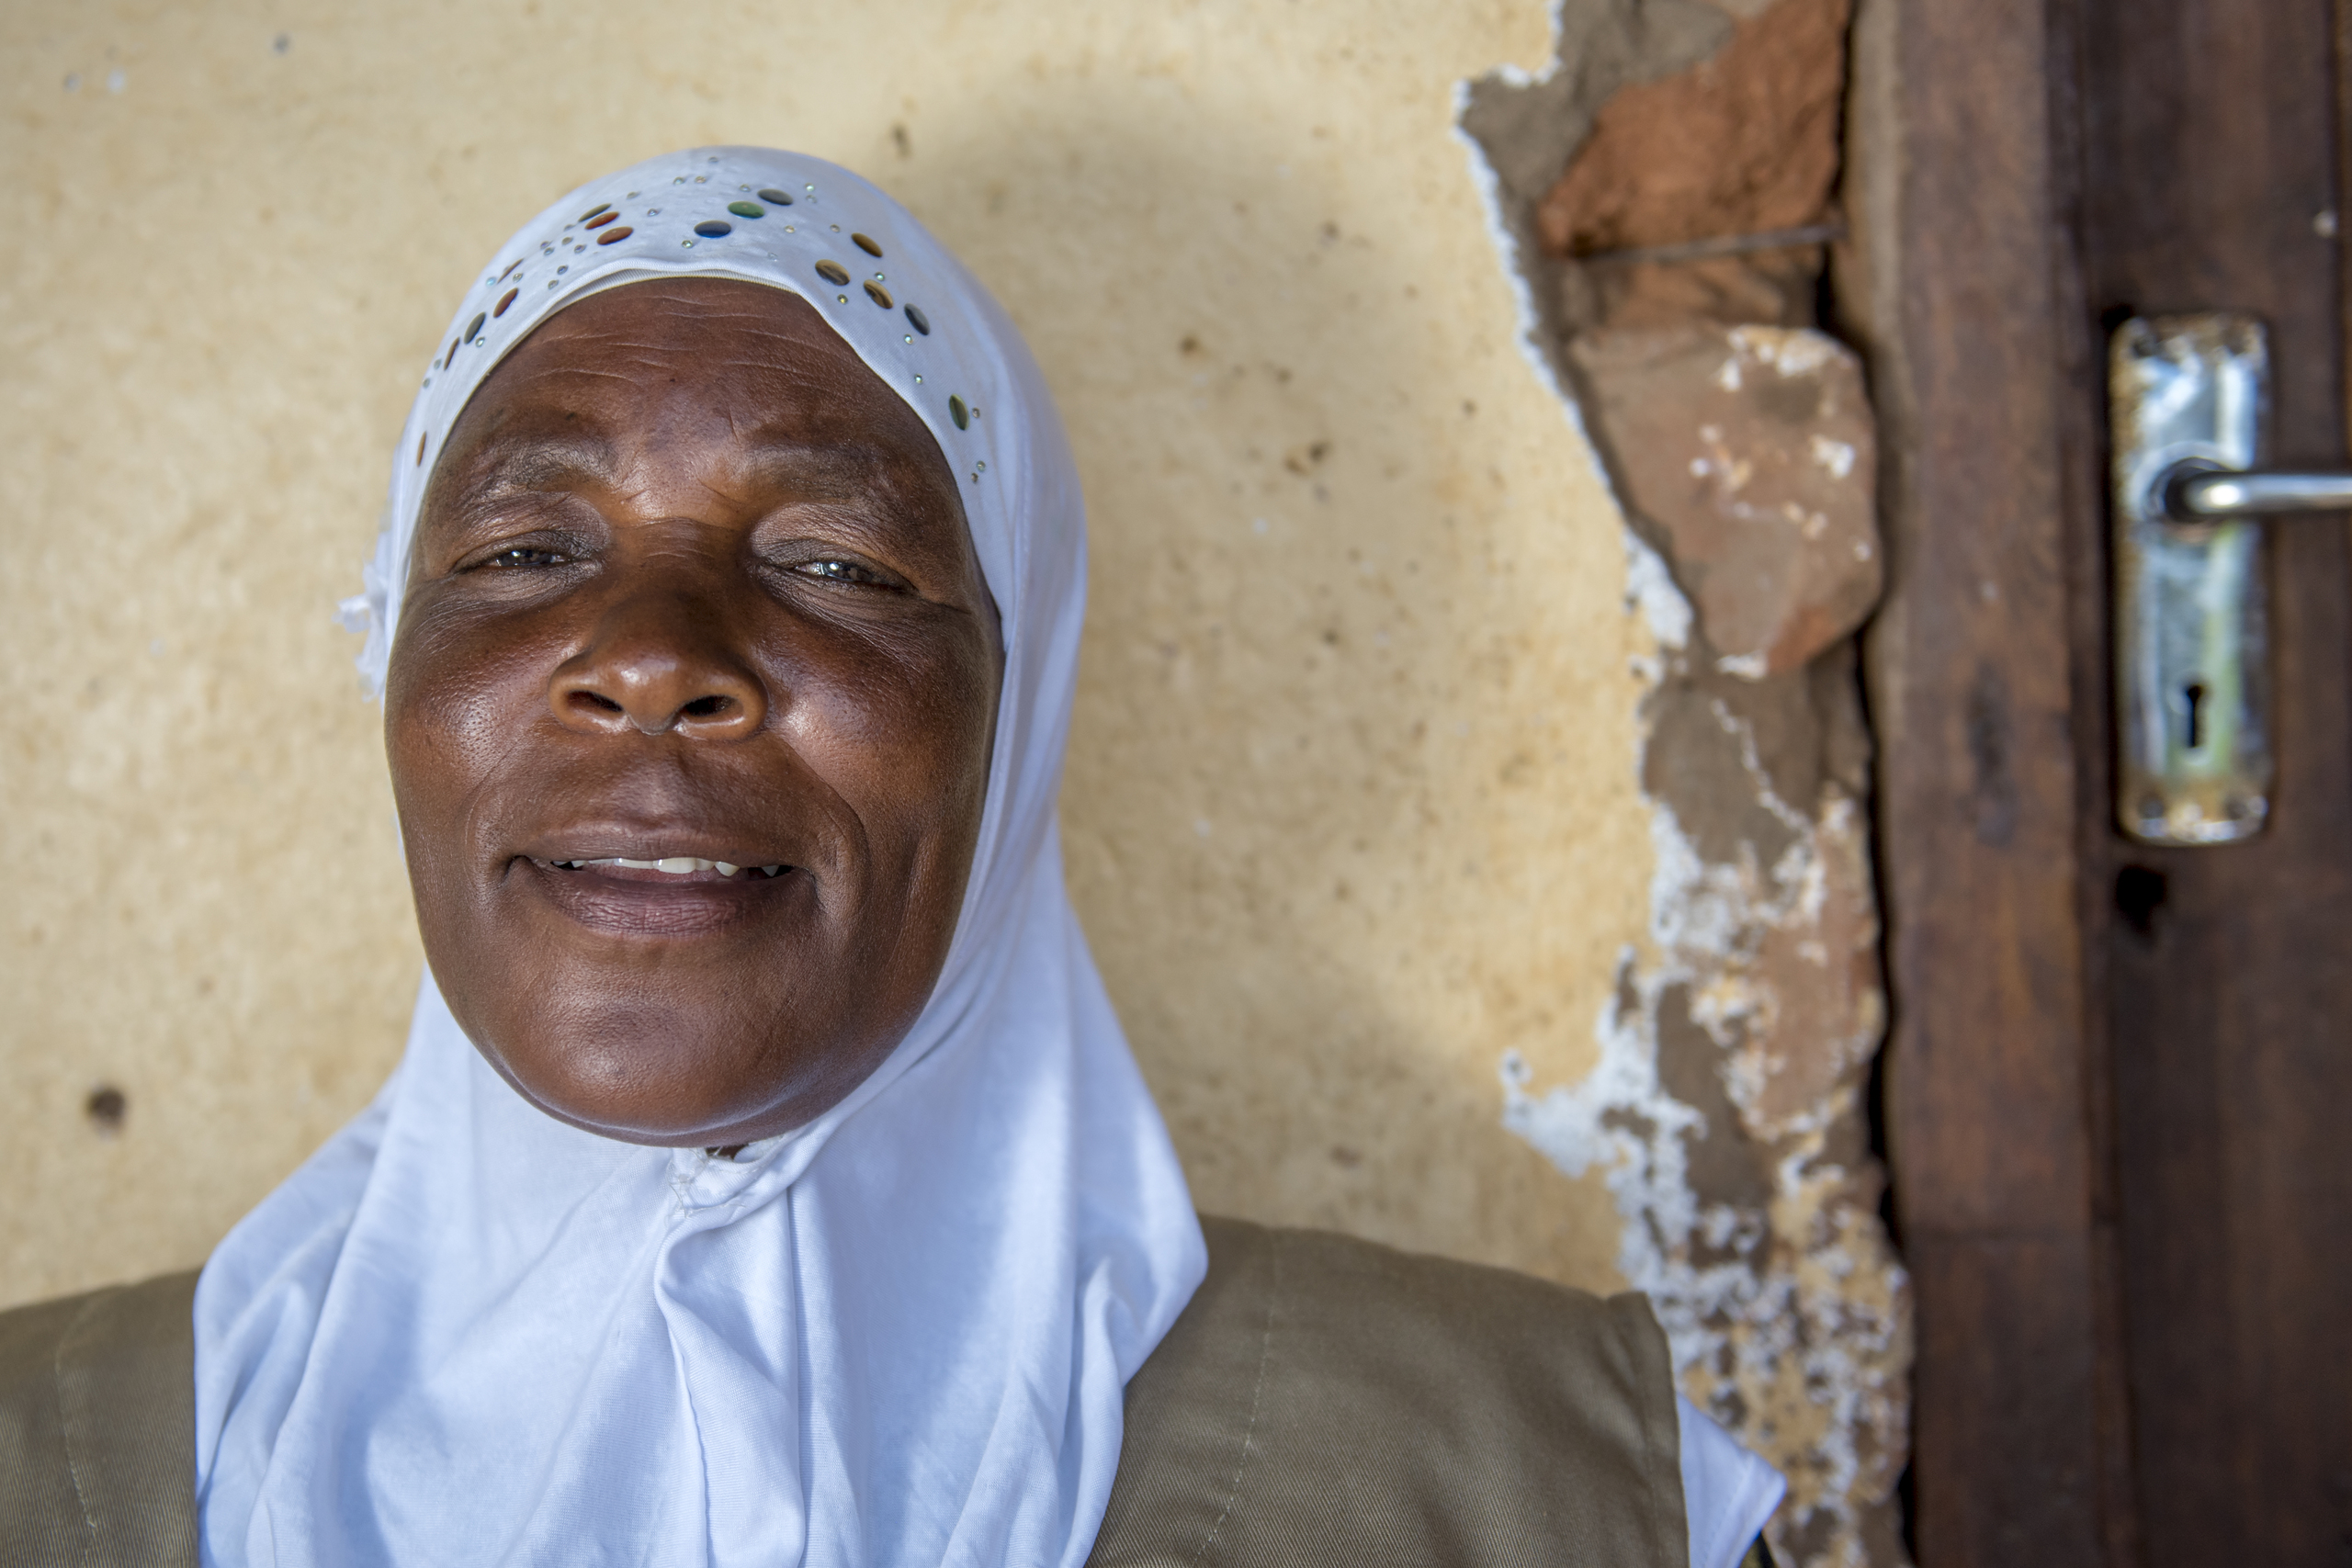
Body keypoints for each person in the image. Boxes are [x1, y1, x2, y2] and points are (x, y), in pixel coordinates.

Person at [0, 147, 1785, 1568]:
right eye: (525, 549)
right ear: (392, 662)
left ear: (1018, 702)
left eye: (837, 564)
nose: (652, 657)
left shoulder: (1541, 1493)